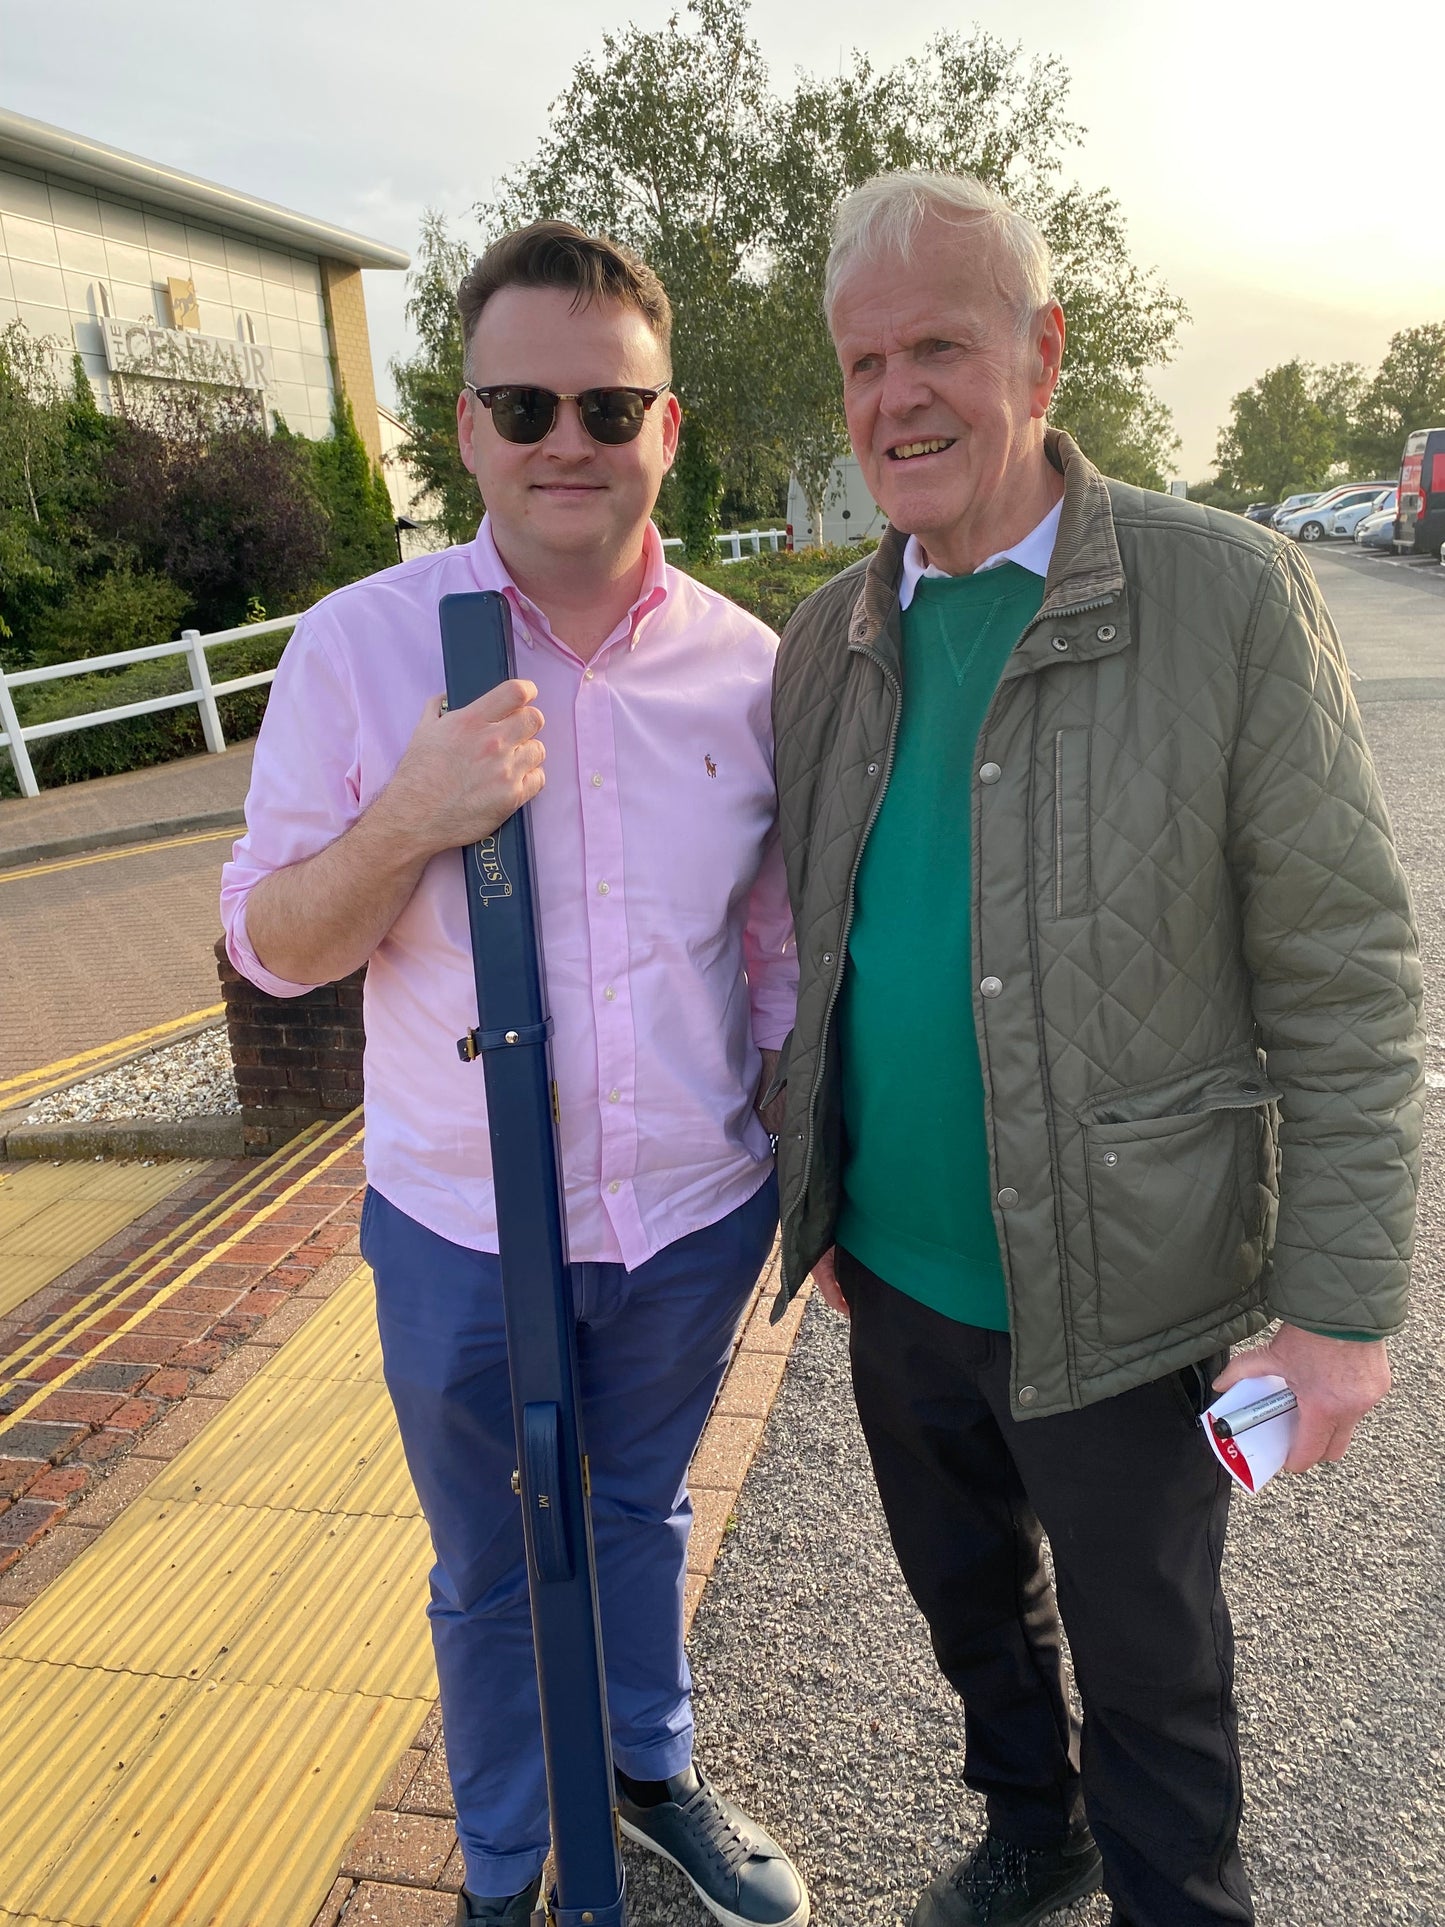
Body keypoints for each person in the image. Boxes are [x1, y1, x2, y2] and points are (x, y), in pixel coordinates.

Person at [766, 172, 1423, 1927]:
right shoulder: (827, 644)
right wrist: (810, 1181)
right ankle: (1029, 1825)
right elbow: (818, 938)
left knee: (1153, 1663)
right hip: (892, 1275)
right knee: (968, 1600)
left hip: (1132, 1288)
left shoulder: (1225, 600)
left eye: (939, 348)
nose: (894, 397)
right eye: (862, 362)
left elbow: (1346, 973)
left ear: (1041, 354)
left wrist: (1340, 1305)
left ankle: (1170, 1901)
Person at [220, 221, 808, 1927]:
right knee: (488, 1569)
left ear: (667, 429)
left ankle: (646, 1761)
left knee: (637, 1507)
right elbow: (274, 945)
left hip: (691, 1210)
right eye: (525, 401)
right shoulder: (357, 649)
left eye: (608, 408)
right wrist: (408, 815)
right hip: (464, 1226)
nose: (569, 438)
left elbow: (763, 948)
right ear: (466, 427)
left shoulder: (747, 666)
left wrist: (801, 1157)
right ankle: (497, 1865)